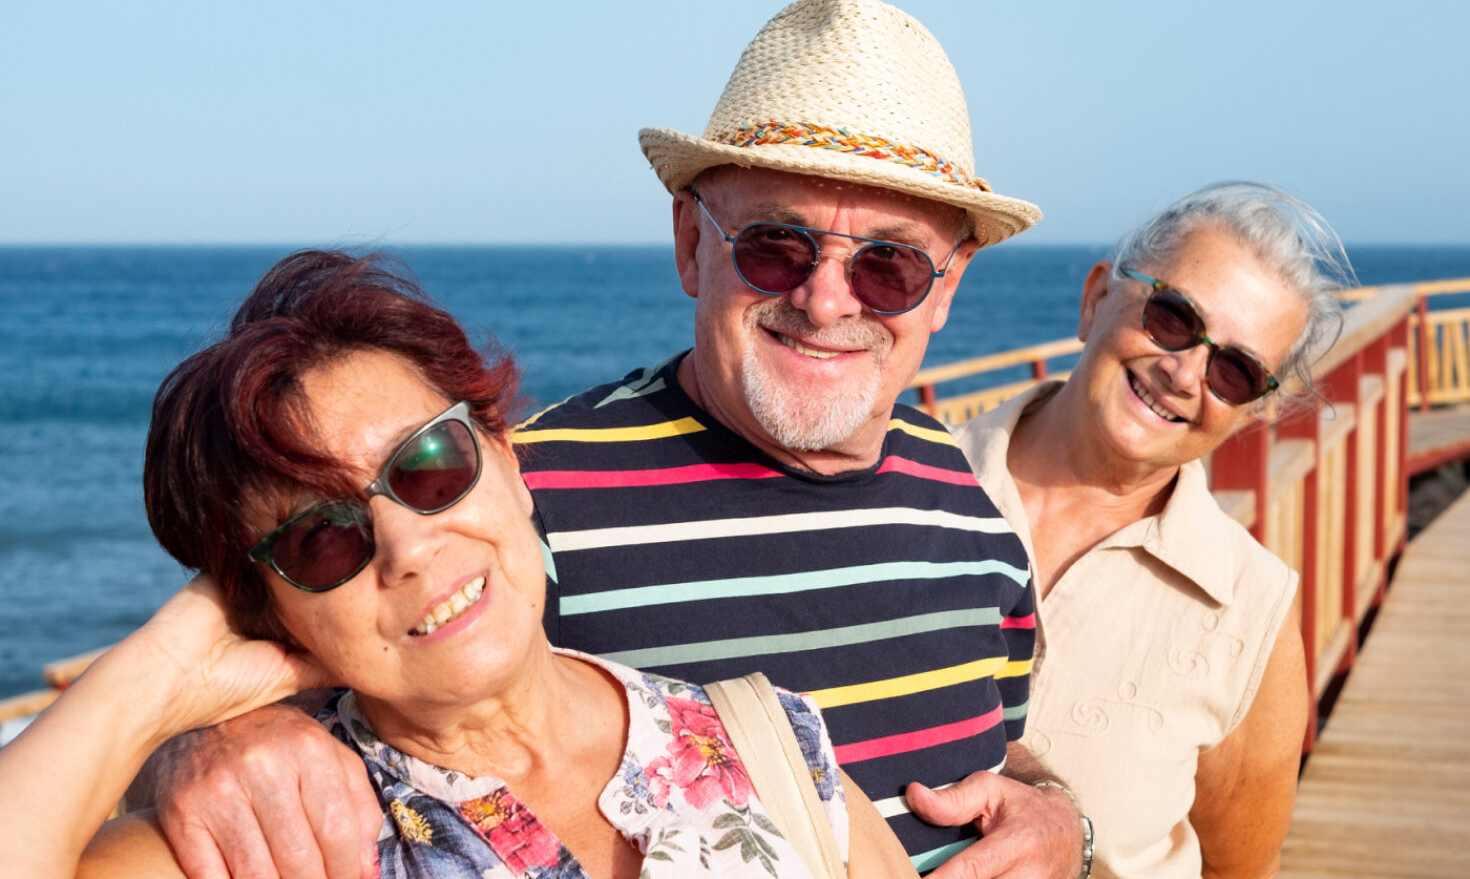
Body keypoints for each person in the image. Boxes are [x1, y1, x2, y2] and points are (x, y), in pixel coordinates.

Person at [144, 0, 1090, 879]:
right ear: (690, 242)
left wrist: (1059, 814)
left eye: (889, 264)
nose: (825, 298)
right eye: (775, 244)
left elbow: (995, 744)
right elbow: (309, 671)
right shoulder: (501, 502)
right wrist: (205, 746)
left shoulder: (970, 508)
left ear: (947, 288)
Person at [0, 250, 918, 879]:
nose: (407, 545)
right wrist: (160, 678)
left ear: (508, 460)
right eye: (323, 537)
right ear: (274, 609)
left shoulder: (772, 746)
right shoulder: (273, 838)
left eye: (429, 465)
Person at [952, 182, 1356, 879]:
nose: (1184, 372)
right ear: (1095, 297)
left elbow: (1239, 867)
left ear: (1253, 412)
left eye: (1235, 370)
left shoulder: (1249, 611)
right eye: (1172, 317)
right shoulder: (906, 485)